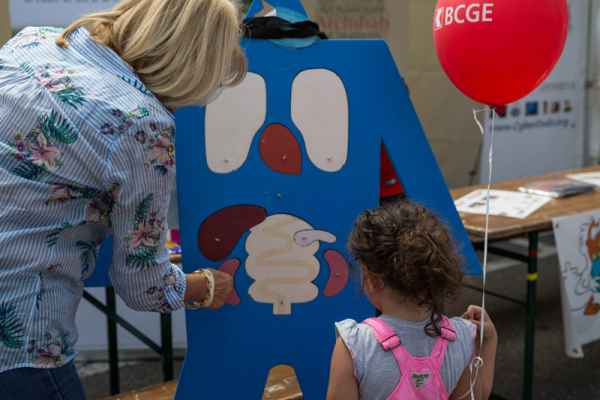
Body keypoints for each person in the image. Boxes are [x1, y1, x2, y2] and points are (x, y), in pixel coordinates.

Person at [0, 1, 246, 399]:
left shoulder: (33, 42)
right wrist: (204, 286)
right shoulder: (141, 123)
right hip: (19, 338)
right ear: (196, 64)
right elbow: (143, 285)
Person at [327, 201, 497, 400]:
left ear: (372, 280)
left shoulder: (355, 347)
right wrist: (489, 341)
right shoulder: (462, 337)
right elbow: (474, 396)